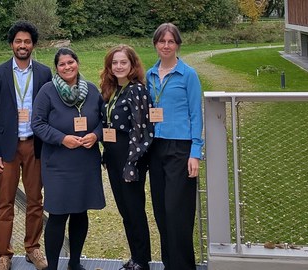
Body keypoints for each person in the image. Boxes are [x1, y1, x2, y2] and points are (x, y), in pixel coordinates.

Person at [0, 20, 52, 270]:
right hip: (7, 149)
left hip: (35, 147)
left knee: (36, 200)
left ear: (33, 45)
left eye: (27, 41)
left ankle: (33, 248)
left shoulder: (44, 73)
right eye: (18, 41)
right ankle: (4, 254)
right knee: (5, 202)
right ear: (12, 44)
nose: (22, 45)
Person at [31, 48, 106, 270]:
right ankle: (52, 266)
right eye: (62, 64)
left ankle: (75, 263)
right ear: (57, 68)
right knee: (57, 214)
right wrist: (62, 138)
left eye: (70, 62)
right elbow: (37, 123)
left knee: (80, 212)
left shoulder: (92, 90)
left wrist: (96, 135)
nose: (67, 67)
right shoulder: (47, 91)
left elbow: (105, 120)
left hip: (85, 161)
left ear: (77, 63)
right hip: (58, 163)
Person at [146, 23, 204, 270]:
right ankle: (170, 264)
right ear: (156, 45)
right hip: (155, 149)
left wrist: (195, 152)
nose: (166, 46)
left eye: (170, 41)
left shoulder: (188, 75)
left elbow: (196, 114)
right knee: (161, 212)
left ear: (177, 45)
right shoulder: (149, 75)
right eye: (162, 41)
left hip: (180, 148)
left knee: (178, 213)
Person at [99, 45, 153, 270]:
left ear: (132, 65)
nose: (119, 66)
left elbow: (142, 129)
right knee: (125, 210)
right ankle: (135, 258)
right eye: (115, 63)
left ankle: (142, 261)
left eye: (123, 62)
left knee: (134, 209)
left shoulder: (137, 90)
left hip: (130, 155)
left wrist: (132, 162)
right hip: (112, 155)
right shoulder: (111, 90)